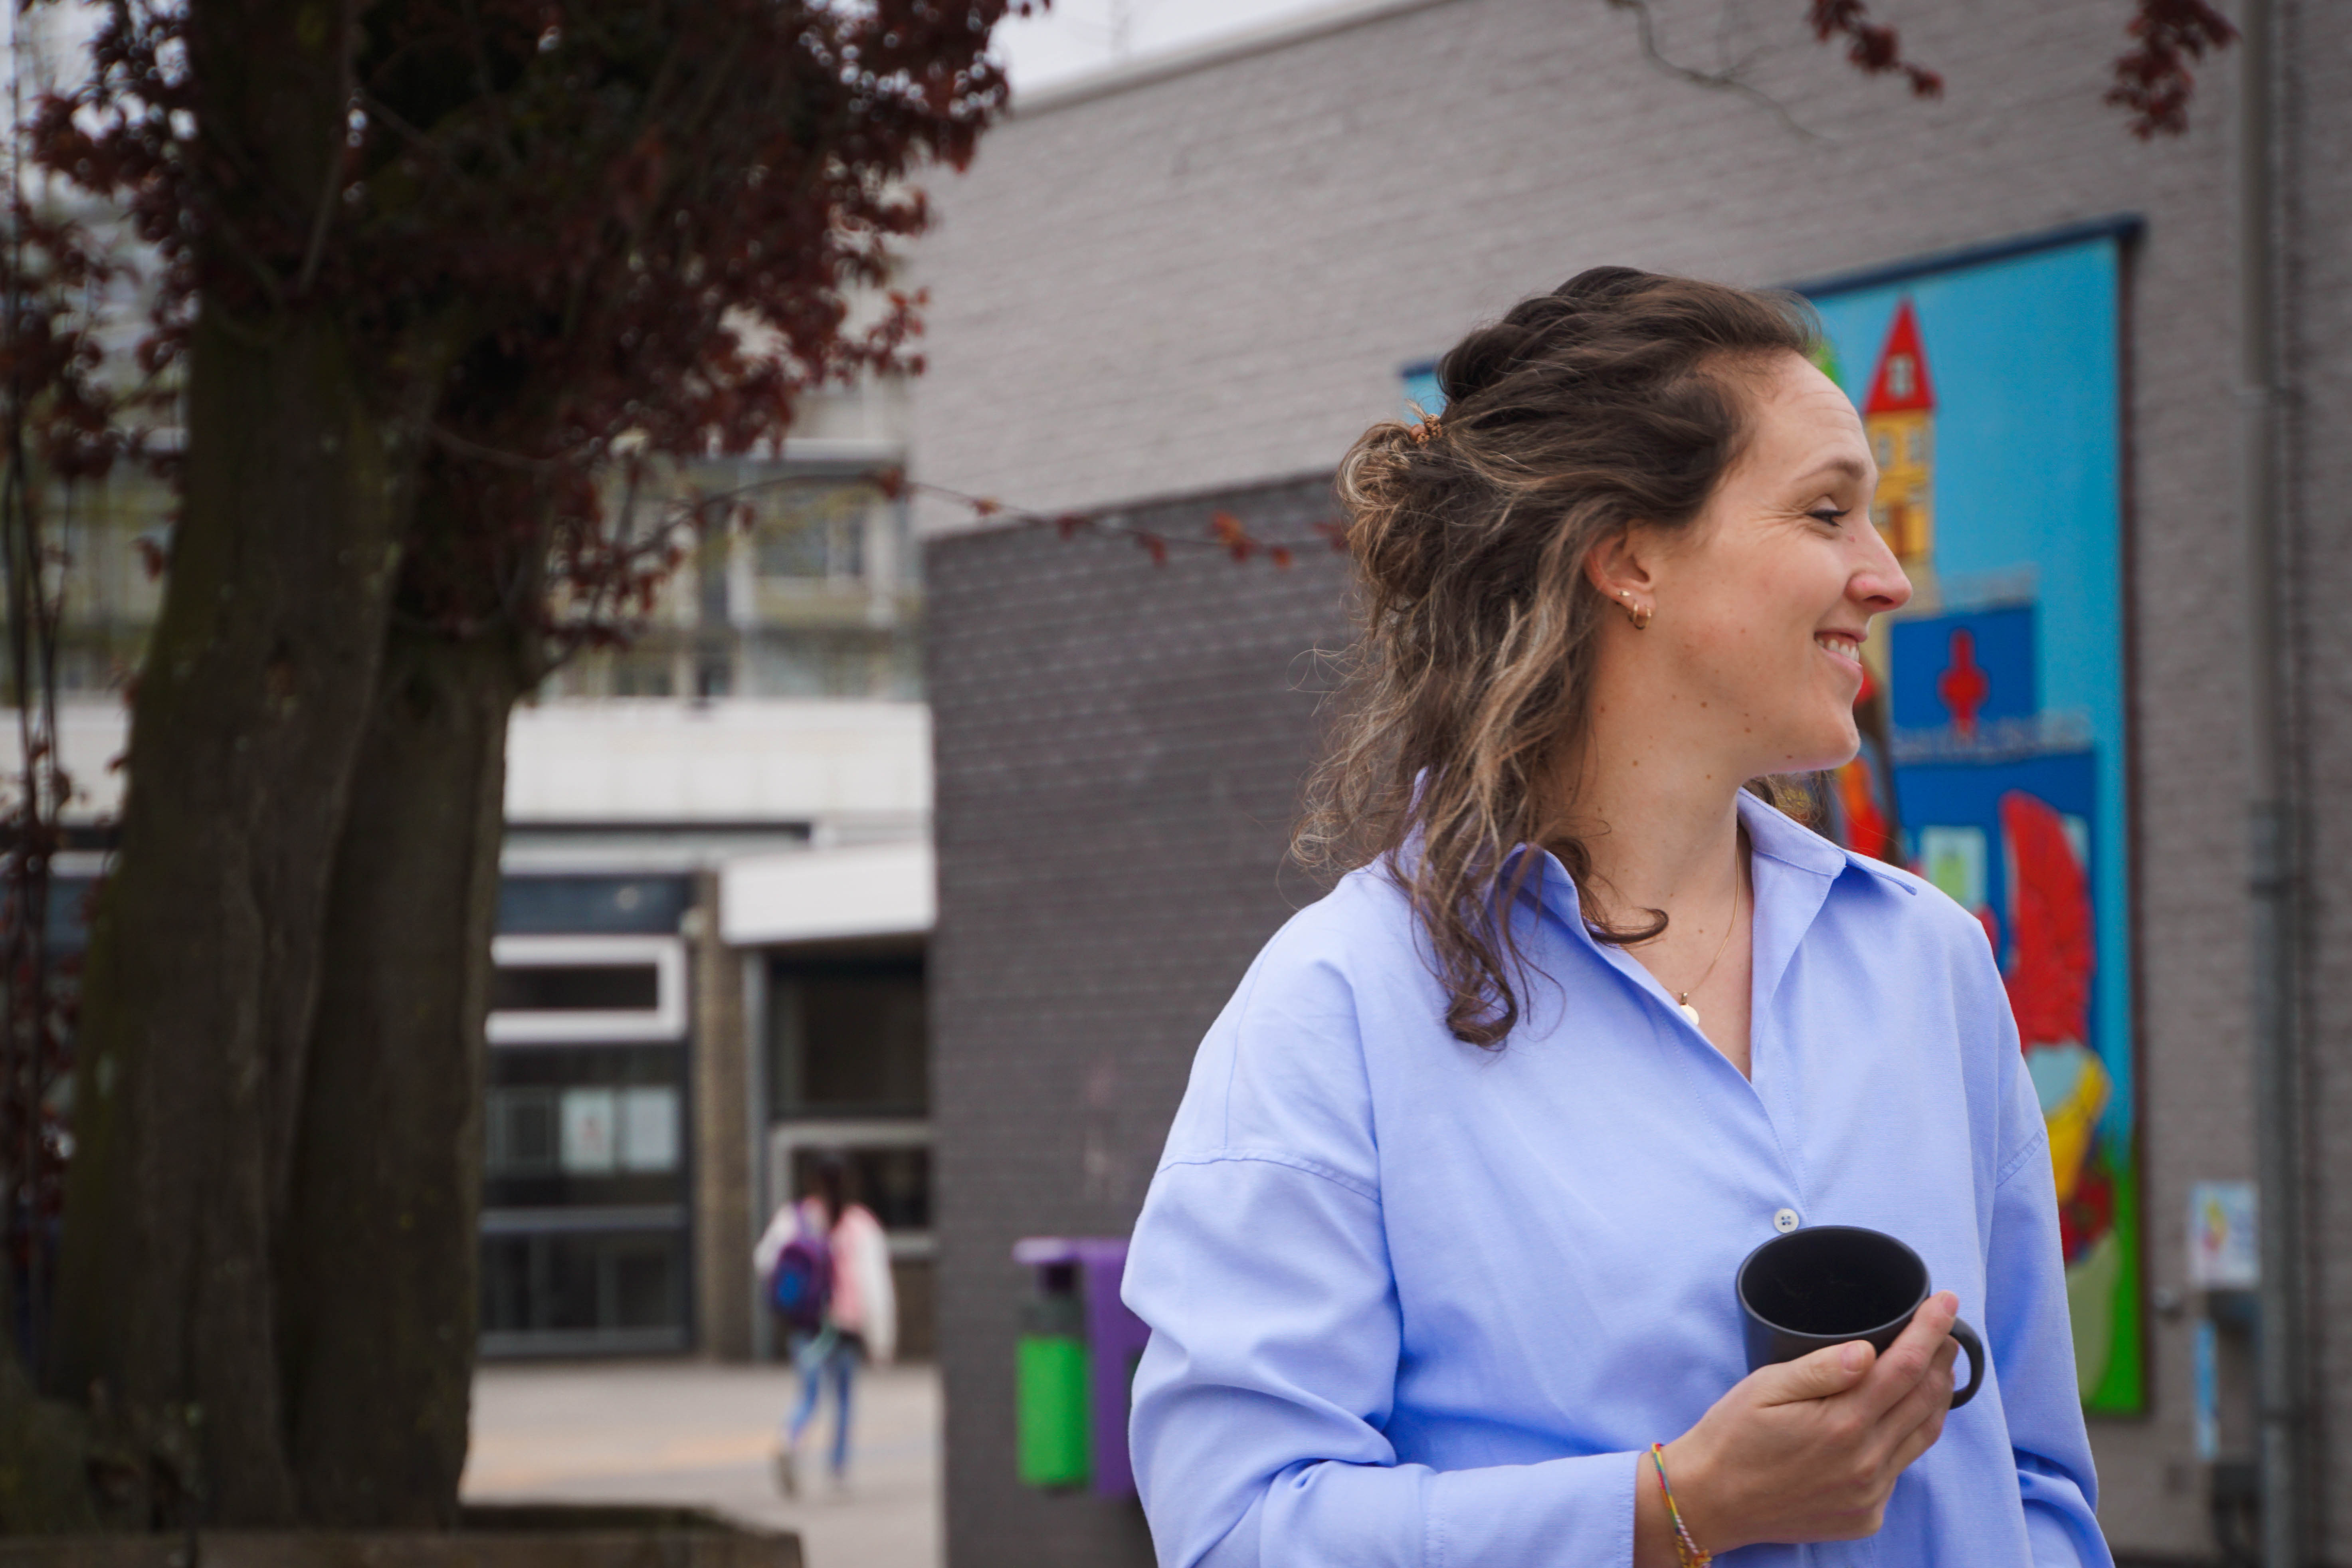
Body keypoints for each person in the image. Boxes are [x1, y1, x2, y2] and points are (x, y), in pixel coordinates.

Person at [1121, 268, 2110, 1568]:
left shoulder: (1930, 961)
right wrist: (1675, 1502)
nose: (1888, 579)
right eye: (1826, 512)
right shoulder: (1337, 1008)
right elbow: (1239, 1529)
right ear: (1631, 558)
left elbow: (2032, 1477)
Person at [754, 1156, 896, 1496]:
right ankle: (838, 1471)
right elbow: (876, 1288)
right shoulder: (860, 1225)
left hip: (809, 1325)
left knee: (809, 1394)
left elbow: (764, 1259)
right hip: (845, 1327)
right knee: (844, 1399)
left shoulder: (796, 1218)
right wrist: (882, 1342)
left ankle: (790, 1439)